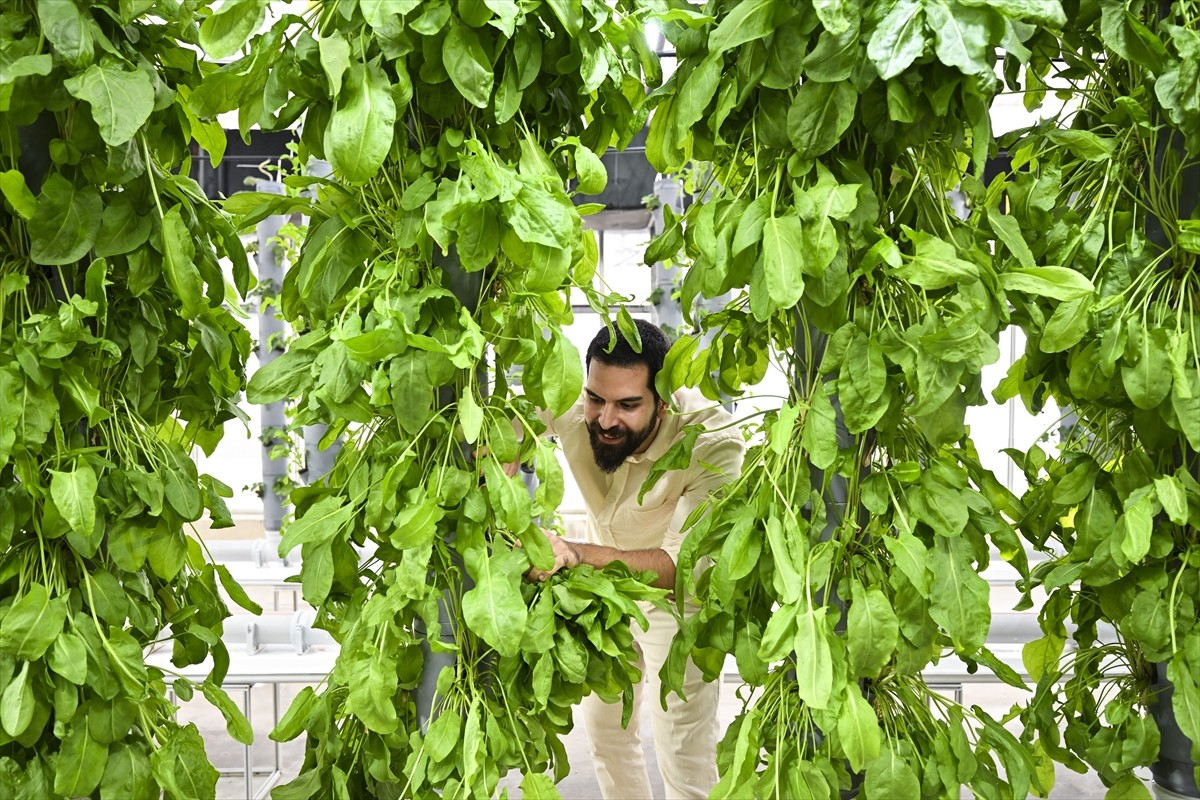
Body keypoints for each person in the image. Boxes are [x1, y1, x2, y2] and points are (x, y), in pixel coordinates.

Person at [527, 318, 745, 800]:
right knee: (606, 733)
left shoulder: (712, 443)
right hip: (604, 583)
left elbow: (676, 568)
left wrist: (576, 553)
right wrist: (500, 452)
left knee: (683, 751)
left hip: (675, 596)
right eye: (596, 399)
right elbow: (514, 417)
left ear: (662, 401)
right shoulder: (579, 398)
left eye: (628, 405)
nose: (605, 419)